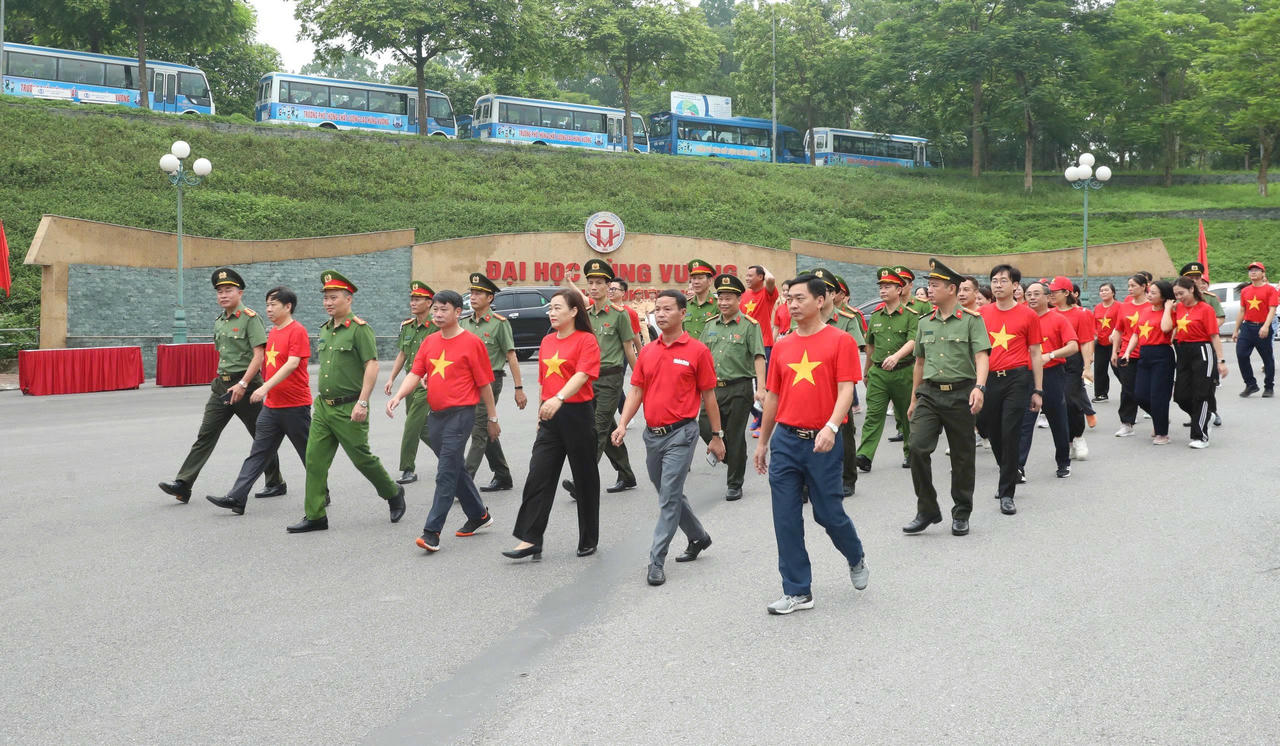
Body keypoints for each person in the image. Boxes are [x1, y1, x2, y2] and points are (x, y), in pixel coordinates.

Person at [753, 274, 868, 616]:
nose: (792, 304)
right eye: (789, 298)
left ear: (821, 301)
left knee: (828, 514)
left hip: (823, 440)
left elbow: (847, 390)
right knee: (786, 518)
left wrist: (832, 427)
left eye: (799, 298)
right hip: (787, 440)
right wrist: (763, 442)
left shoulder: (840, 341)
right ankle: (797, 591)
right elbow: (773, 396)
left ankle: (855, 554)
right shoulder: (784, 344)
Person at [614, 291, 725, 586]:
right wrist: (623, 424)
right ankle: (699, 537)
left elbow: (709, 396)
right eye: (658, 310)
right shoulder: (648, 351)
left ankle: (656, 560)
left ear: (683, 314)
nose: (661, 314)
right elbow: (636, 390)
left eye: (667, 309)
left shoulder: (697, 351)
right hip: (653, 435)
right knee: (668, 493)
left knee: (668, 497)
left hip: (682, 433)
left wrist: (716, 435)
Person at [288, 271, 405, 533]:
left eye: (334, 297)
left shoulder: (360, 330)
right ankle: (315, 515)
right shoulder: (325, 330)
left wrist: (362, 402)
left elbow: (372, 365)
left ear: (348, 299)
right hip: (323, 406)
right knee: (314, 460)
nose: (328, 303)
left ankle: (392, 492)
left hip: (349, 406)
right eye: (325, 298)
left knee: (361, 458)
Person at [160, 268, 286, 504]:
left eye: (228, 290)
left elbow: (259, 355)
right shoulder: (220, 322)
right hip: (222, 387)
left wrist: (243, 383)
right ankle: (183, 483)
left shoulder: (250, 318)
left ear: (240, 292)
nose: (223, 295)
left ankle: (275, 481)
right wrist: (226, 382)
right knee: (206, 434)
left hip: (247, 387)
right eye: (219, 291)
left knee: (261, 436)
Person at [387, 289, 499, 552]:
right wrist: (399, 396)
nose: (437, 314)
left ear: (458, 312)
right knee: (455, 468)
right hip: (436, 417)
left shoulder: (472, 343)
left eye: (443, 309)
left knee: (445, 473)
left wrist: (492, 418)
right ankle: (479, 515)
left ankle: (431, 532)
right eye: (435, 309)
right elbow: (416, 373)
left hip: (461, 415)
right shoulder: (430, 342)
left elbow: (485, 385)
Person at [505, 290, 601, 561]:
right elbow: (544, 380)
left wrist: (559, 398)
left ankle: (588, 538)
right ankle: (530, 539)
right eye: (550, 308)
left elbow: (583, 375)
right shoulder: (547, 341)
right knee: (538, 476)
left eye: (558, 308)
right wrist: (541, 412)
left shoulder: (587, 340)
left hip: (577, 414)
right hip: (550, 417)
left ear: (574, 311)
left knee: (584, 479)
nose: (552, 312)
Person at [903, 259, 990, 536]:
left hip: (961, 393)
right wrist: (914, 399)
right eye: (928, 285)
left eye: (934, 285)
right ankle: (927, 509)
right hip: (929, 393)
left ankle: (961, 511)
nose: (929, 290)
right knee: (917, 447)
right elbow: (919, 362)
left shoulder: (972, 321)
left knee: (962, 458)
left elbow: (981, 356)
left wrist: (980, 387)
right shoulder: (924, 322)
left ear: (951, 289)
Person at [207, 286, 311, 515]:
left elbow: (292, 363)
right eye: (267, 305)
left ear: (288, 306)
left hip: (295, 406)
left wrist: (263, 387)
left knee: (308, 454)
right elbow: (264, 360)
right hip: (272, 407)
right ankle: (237, 497)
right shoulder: (272, 332)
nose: (269, 309)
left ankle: (320, 493)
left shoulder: (298, 331)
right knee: (258, 452)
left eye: (273, 304)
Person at [564, 259, 638, 496]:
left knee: (596, 429)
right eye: (590, 283)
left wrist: (639, 377)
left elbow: (629, 348)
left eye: (599, 283)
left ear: (609, 286)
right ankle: (626, 475)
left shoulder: (619, 315)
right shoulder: (583, 315)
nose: (593, 287)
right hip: (587, 379)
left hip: (610, 378)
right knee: (606, 427)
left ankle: (582, 482)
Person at [978, 264, 1044, 516]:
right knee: (991, 430)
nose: (998, 284)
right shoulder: (981, 313)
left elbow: (1036, 353)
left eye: (1003, 280)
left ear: (1016, 286)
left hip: (1017, 379)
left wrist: (1038, 390)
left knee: (1010, 431)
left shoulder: (1028, 316)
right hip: (989, 379)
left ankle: (1006, 493)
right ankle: (1009, 469)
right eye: (994, 280)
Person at [698, 273, 766, 501]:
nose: (724, 303)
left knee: (736, 436)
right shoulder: (709, 326)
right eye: (721, 298)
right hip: (712, 389)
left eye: (729, 298)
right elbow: (700, 356)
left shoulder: (749, 326)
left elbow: (758, 356)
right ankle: (729, 455)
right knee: (705, 426)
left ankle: (734, 483)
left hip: (739, 388)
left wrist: (762, 388)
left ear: (739, 300)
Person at [462, 273, 527, 492]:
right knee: (485, 428)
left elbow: (511, 356)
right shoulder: (464, 323)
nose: (473, 296)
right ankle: (503, 475)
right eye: (471, 292)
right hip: (466, 383)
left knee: (479, 429)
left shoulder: (500, 324)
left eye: (478, 293)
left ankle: (462, 482)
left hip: (490, 382)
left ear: (490, 298)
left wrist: (519, 389)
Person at [856, 266, 918, 473]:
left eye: (888, 286)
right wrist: (867, 371)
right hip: (879, 374)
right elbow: (870, 347)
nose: (883, 290)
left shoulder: (910, 315)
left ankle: (911, 451)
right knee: (873, 414)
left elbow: (913, 341)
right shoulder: (875, 316)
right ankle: (864, 454)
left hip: (904, 371)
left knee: (906, 415)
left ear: (899, 290)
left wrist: (897, 356)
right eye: (881, 286)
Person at [1018, 282, 1078, 479]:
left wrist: (1050, 355)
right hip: (1025, 375)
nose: (1032, 297)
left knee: (1057, 419)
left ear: (1047, 297)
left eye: (1037, 294)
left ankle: (1063, 462)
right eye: (1029, 294)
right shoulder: (1021, 317)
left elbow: (1073, 346)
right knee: (1025, 421)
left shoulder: (1058, 319)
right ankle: (1019, 467)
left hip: (1052, 374)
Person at [382, 281, 438, 485]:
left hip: (427, 384)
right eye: (411, 299)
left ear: (429, 302)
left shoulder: (436, 326)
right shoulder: (408, 326)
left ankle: (408, 468)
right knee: (421, 427)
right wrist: (391, 378)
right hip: (410, 381)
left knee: (411, 424)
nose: (413, 303)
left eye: (418, 299)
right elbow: (403, 354)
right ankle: (450, 457)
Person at [1172, 277, 1227, 448]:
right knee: (1180, 395)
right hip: (1182, 350)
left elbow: (1214, 336)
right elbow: (1171, 328)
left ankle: (1200, 436)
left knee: (1201, 393)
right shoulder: (1178, 307)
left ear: (1191, 290)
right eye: (1176, 294)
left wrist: (1221, 361)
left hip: (1202, 350)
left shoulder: (1205, 309)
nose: (1179, 297)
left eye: (1181, 293)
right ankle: (1207, 416)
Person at [1122, 280, 1176, 444]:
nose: (1149, 295)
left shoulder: (1170, 312)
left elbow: (1166, 328)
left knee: (1158, 395)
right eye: (1149, 292)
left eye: (1153, 293)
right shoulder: (1145, 311)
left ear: (1164, 296)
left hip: (1162, 354)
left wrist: (1167, 308)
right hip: (1144, 354)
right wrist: (1127, 352)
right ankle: (1160, 418)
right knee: (1139, 394)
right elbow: (1136, 334)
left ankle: (1162, 434)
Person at [1049, 276, 1095, 460]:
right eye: (1049, 292)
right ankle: (1065, 442)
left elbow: (1085, 341)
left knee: (1071, 400)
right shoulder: (1048, 313)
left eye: (1054, 292)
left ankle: (1077, 437)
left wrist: (1087, 367)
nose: (1050, 295)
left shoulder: (1081, 313)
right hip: (1050, 361)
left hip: (1073, 362)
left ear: (1066, 293)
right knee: (1055, 404)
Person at [1184, 264, 1224, 428]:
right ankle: (1196, 413)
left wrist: (1208, 328)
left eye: (1197, 278)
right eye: (1191, 278)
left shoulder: (1209, 298)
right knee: (1189, 383)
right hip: (1186, 346)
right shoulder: (1180, 299)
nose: (1195, 281)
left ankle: (1212, 411)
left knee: (1208, 382)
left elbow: (1220, 317)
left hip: (1206, 344)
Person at [1231, 261, 1278, 397]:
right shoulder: (1245, 291)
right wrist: (1236, 330)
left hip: (1262, 327)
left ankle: (1269, 386)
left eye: (1256, 270)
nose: (1253, 272)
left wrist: (1266, 326)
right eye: (1251, 270)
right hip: (1247, 327)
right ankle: (1251, 384)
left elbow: (1272, 310)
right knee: (1241, 355)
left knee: (1267, 358)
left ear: (1263, 273)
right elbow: (1242, 311)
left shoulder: (1270, 290)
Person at [1111, 275, 1148, 437]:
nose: (1130, 289)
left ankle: (1158, 416)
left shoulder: (1151, 306)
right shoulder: (1124, 307)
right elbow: (1118, 330)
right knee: (1127, 390)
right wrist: (1115, 351)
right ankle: (1126, 423)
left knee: (1145, 390)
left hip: (1147, 352)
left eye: (1133, 285)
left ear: (1144, 286)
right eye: (1129, 286)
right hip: (1127, 353)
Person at [1092, 282, 1120, 402]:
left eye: (1106, 290)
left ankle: (1131, 389)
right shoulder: (1097, 307)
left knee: (1118, 368)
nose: (1103, 292)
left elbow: (1121, 323)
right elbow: (1094, 324)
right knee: (1099, 368)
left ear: (1113, 292)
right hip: (1101, 342)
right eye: (1101, 290)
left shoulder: (1119, 306)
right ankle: (1101, 394)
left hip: (1116, 343)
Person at [682, 258, 719, 339]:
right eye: (694, 278)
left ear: (710, 281)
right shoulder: (686, 305)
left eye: (700, 278)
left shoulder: (719, 305)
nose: (696, 282)